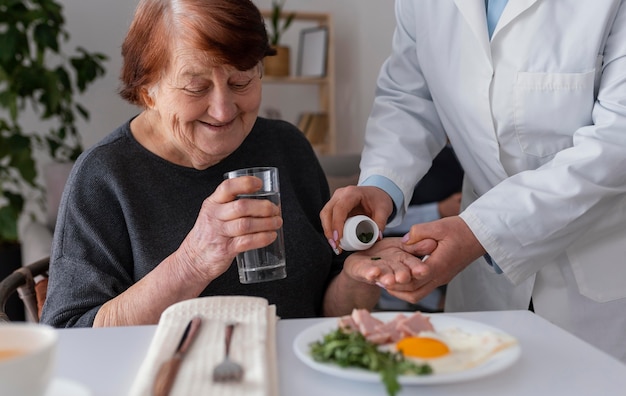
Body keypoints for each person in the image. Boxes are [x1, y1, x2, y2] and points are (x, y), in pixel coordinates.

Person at [40, 0, 430, 328]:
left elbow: (323, 313)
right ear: (148, 91)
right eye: (196, 87)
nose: (224, 110)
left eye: (241, 82)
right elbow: (71, 334)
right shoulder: (105, 177)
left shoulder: (286, 146)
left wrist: (358, 276)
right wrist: (192, 263)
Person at [321, 0, 626, 362]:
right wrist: (380, 184)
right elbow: (409, 97)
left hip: (598, 270)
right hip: (484, 281)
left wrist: (481, 232)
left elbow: (616, 142)